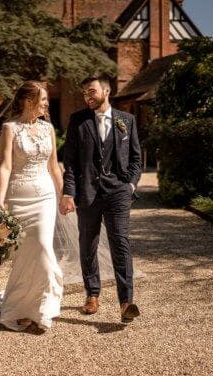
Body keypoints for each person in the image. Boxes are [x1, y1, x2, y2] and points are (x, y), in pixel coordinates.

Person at [60, 75, 142, 323]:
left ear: (107, 91)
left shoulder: (126, 120)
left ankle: (126, 301)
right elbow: (71, 162)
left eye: (92, 91)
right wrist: (69, 192)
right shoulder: (78, 121)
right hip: (88, 192)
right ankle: (92, 294)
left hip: (118, 192)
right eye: (85, 92)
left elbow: (136, 159)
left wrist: (129, 184)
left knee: (121, 243)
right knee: (88, 244)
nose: (88, 96)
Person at [0, 81, 63, 333]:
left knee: (43, 248)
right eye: (42, 99)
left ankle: (42, 309)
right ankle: (21, 308)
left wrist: (64, 194)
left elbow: (54, 166)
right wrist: (0, 200)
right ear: (28, 101)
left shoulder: (48, 129)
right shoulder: (10, 128)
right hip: (19, 197)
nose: (46, 104)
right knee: (24, 256)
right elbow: (5, 166)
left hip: (45, 196)